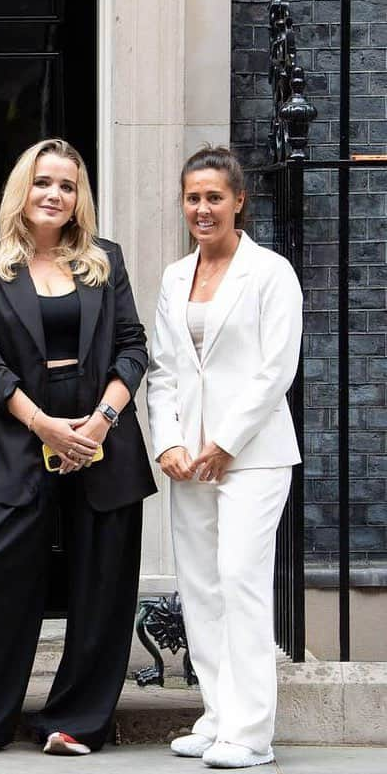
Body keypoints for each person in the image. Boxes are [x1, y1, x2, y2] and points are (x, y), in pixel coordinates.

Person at [0, 138, 156, 758]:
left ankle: (77, 719)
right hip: (18, 432)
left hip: (103, 437)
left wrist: (100, 421)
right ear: (24, 189)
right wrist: (43, 423)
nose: (55, 195)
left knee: (102, 583)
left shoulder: (107, 260)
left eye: (68, 186)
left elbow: (133, 347)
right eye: (44, 183)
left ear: (80, 199)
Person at [146, 147, 302, 769]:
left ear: (239, 200)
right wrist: (169, 442)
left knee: (240, 582)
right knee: (202, 589)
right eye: (193, 197)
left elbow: (275, 369)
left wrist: (224, 442)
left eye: (214, 197)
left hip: (252, 456)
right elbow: (161, 371)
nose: (202, 208)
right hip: (189, 460)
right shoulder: (173, 277)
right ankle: (216, 715)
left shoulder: (270, 272)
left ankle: (252, 732)